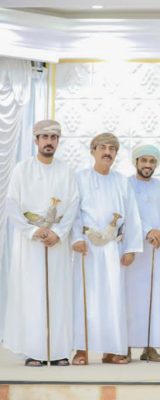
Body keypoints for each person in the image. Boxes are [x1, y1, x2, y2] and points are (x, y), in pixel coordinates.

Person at [3, 120, 79, 366]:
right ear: (36, 140)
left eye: (53, 137)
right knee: (32, 294)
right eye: (44, 137)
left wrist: (58, 232)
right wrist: (33, 231)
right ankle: (34, 351)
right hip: (30, 244)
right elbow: (12, 204)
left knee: (58, 294)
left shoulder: (66, 171)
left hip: (57, 243)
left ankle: (58, 351)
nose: (49, 142)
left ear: (58, 141)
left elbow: (73, 205)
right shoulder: (22, 170)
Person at [71, 133, 143, 365]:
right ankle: (81, 349)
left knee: (113, 298)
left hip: (113, 247)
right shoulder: (79, 178)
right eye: (102, 147)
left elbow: (132, 215)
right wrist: (76, 238)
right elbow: (73, 211)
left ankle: (112, 350)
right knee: (86, 298)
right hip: (88, 246)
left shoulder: (122, 181)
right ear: (92, 150)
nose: (107, 152)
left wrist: (131, 248)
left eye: (112, 149)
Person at [125, 144, 160, 362]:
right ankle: (125, 346)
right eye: (144, 160)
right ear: (136, 162)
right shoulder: (126, 185)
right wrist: (148, 231)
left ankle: (151, 346)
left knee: (156, 298)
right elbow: (130, 213)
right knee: (131, 298)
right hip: (134, 250)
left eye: (152, 161)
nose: (148, 165)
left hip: (158, 249)